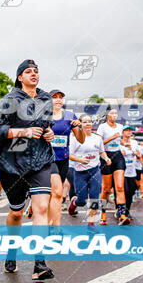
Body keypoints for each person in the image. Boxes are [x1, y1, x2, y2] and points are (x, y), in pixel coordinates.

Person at [0, 59, 55, 280]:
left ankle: (40, 264)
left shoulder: (46, 98)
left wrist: (49, 134)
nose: (34, 74)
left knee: (42, 208)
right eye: (28, 72)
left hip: (41, 161)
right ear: (20, 77)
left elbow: (46, 126)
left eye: (36, 71)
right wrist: (22, 133)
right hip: (13, 164)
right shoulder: (9, 100)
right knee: (16, 212)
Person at [48, 89, 84, 229]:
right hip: (48, 159)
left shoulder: (70, 116)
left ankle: (48, 219)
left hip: (63, 159)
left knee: (54, 195)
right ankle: (56, 227)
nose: (58, 100)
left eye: (60, 98)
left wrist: (79, 127)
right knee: (57, 191)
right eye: (54, 97)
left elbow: (80, 140)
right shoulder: (44, 116)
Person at [67, 113, 111, 228]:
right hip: (80, 172)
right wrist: (80, 160)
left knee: (94, 197)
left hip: (94, 170)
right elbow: (69, 155)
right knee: (81, 201)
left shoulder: (97, 137)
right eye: (85, 122)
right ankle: (74, 203)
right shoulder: (74, 138)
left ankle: (91, 224)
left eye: (90, 121)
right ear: (80, 124)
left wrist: (106, 158)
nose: (88, 124)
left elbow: (101, 151)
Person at [97, 109, 129, 225]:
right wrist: (112, 137)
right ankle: (103, 212)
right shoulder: (102, 127)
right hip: (106, 156)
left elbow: (119, 140)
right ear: (107, 115)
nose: (114, 115)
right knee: (106, 188)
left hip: (118, 156)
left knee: (120, 186)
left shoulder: (120, 126)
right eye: (112, 113)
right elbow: (99, 143)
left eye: (116, 113)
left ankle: (122, 213)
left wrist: (125, 145)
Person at [120, 127, 139, 220]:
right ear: (122, 133)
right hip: (121, 171)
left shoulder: (134, 143)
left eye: (129, 131)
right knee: (124, 191)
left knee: (131, 192)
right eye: (126, 131)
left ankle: (127, 211)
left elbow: (139, 155)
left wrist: (132, 150)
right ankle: (121, 211)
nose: (128, 132)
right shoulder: (119, 143)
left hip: (132, 171)